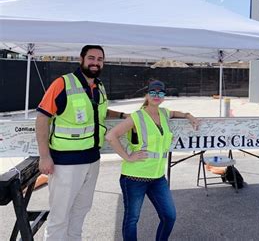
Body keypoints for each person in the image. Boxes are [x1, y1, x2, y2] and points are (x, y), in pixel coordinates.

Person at [35, 45, 126, 240]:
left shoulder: (98, 86)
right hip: (65, 163)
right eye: (91, 58)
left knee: (80, 211)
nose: (95, 62)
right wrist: (44, 156)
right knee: (59, 216)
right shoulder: (62, 84)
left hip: (92, 160)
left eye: (100, 59)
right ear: (81, 59)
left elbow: (99, 113)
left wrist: (122, 115)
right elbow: (42, 118)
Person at [106, 80, 198, 241]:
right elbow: (111, 136)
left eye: (160, 93)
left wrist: (188, 115)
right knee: (132, 220)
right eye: (153, 93)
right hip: (134, 177)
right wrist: (127, 157)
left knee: (169, 216)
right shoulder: (137, 116)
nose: (157, 96)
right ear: (147, 95)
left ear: (163, 97)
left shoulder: (163, 113)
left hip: (157, 177)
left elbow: (175, 113)